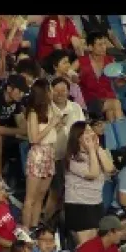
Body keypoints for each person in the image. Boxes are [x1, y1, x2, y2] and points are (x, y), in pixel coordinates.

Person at [64, 121, 115, 244]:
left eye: (91, 130)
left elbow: (110, 169)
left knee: (97, 244)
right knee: (85, 246)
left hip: (96, 203)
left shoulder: (98, 151)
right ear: (78, 138)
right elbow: (93, 174)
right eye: (86, 132)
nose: (91, 134)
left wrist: (98, 149)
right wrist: (92, 150)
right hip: (79, 205)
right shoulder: (73, 158)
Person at [43, 78, 87, 221]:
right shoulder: (45, 108)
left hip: (73, 157)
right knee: (55, 193)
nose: (60, 93)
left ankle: (60, 224)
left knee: (70, 194)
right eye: (56, 90)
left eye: (64, 90)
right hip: (53, 157)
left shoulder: (76, 107)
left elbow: (83, 130)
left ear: (69, 91)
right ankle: (46, 222)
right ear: (50, 91)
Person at [22, 79, 59, 229]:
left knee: (41, 195)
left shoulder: (51, 108)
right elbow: (33, 138)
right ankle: (25, 228)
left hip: (50, 152)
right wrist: (51, 124)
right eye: (49, 90)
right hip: (38, 154)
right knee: (30, 197)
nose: (52, 92)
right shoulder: (33, 113)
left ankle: (35, 225)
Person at [77, 32, 124, 121]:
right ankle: (121, 130)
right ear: (90, 47)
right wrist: (74, 77)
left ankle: (114, 132)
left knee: (111, 112)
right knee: (115, 103)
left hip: (108, 98)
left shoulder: (110, 60)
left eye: (104, 44)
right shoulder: (81, 61)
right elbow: (69, 72)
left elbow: (117, 84)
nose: (104, 47)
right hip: (91, 100)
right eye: (100, 45)